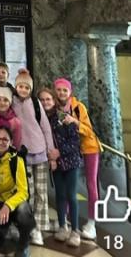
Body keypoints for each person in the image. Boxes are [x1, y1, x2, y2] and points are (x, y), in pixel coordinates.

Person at [12, 71, 58, 246]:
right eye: (20, 86)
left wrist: (51, 153)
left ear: (30, 89)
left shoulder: (36, 103)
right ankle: (28, 226)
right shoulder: (12, 102)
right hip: (22, 155)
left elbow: (46, 128)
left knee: (41, 192)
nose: (23, 90)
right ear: (16, 87)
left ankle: (38, 227)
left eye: (26, 87)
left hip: (40, 153)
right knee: (27, 194)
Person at [54, 77, 101, 241]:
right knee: (68, 184)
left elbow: (89, 131)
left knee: (91, 184)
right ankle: (64, 219)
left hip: (89, 148)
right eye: (59, 90)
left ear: (70, 92)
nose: (62, 93)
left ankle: (92, 223)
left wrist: (74, 121)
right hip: (71, 151)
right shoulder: (55, 108)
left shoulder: (78, 107)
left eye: (65, 90)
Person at [0, 125, 35, 257]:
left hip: (12, 203)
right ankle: (2, 230)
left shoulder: (17, 160)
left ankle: (23, 246)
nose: (1, 142)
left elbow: (23, 191)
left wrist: (8, 205)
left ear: (11, 142)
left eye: (5, 139)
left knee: (24, 212)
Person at [39, 86, 83, 248]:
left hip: (71, 161)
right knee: (60, 195)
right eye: (42, 100)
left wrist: (60, 152)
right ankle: (62, 226)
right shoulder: (41, 118)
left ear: (54, 100)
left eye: (48, 99)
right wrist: (51, 157)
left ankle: (75, 230)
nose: (45, 102)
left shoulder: (63, 116)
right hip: (55, 163)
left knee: (71, 195)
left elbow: (75, 141)